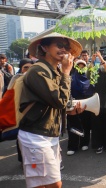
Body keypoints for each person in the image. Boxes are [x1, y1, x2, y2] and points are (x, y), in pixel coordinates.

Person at [18, 32, 82, 188]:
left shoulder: (54, 71)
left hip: (48, 134)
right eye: (59, 45)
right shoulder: (37, 71)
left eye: (66, 47)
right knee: (53, 184)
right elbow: (59, 100)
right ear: (45, 47)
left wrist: (69, 111)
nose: (64, 50)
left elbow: (55, 103)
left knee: (47, 184)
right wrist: (67, 72)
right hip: (36, 135)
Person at [66, 59, 95, 156]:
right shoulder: (72, 78)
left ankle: (84, 142)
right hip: (73, 105)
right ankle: (72, 146)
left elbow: (91, 91)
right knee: (73, 125)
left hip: (86, 105)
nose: (81, 68)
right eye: (79, 66)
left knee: (85, 125)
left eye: (83, 66)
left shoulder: (89, 79)